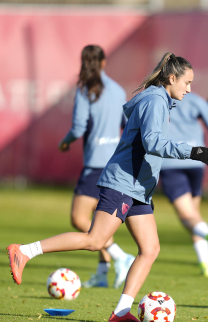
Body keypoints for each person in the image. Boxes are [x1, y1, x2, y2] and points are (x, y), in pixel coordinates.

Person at [7, 53, 208, 322]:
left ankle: (120, 312)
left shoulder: (159, 100)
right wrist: (192, 151)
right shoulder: (154, 100)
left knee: (150, 249)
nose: (189, 89)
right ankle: (24, 251)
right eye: (187, 82)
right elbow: (153, 142)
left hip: (139, 187)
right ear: (172, 78)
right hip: (123, 183)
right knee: (95, 240)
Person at [58, 45, 135, 289]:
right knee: (95, 220)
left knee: (79, 218)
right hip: (115, 162)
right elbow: (127, 123)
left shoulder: (85, 89)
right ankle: (102, 273)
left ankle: (121, 256)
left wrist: (65, 142)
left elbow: (79, 128)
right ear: (103, 62)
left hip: (95, 165)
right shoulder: (117, 89)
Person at [159, 92, 208, 277]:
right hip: (196, 160)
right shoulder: (196, 100)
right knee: (194, 215)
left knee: (188, 216)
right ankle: (205, 264)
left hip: (171, 162)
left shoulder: (157, 99)